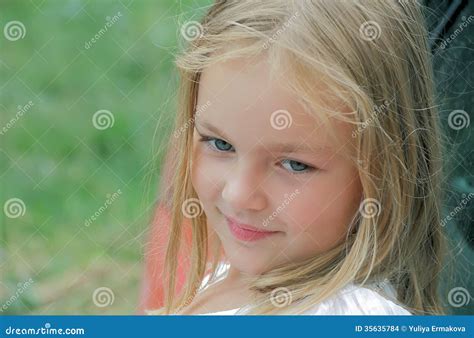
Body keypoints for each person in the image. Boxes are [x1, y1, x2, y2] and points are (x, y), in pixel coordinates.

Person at [146, 0, 447, 315]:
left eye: (294, 165)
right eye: (220, 144)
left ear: (382, 174)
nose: (238, 194)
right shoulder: (228, 279)